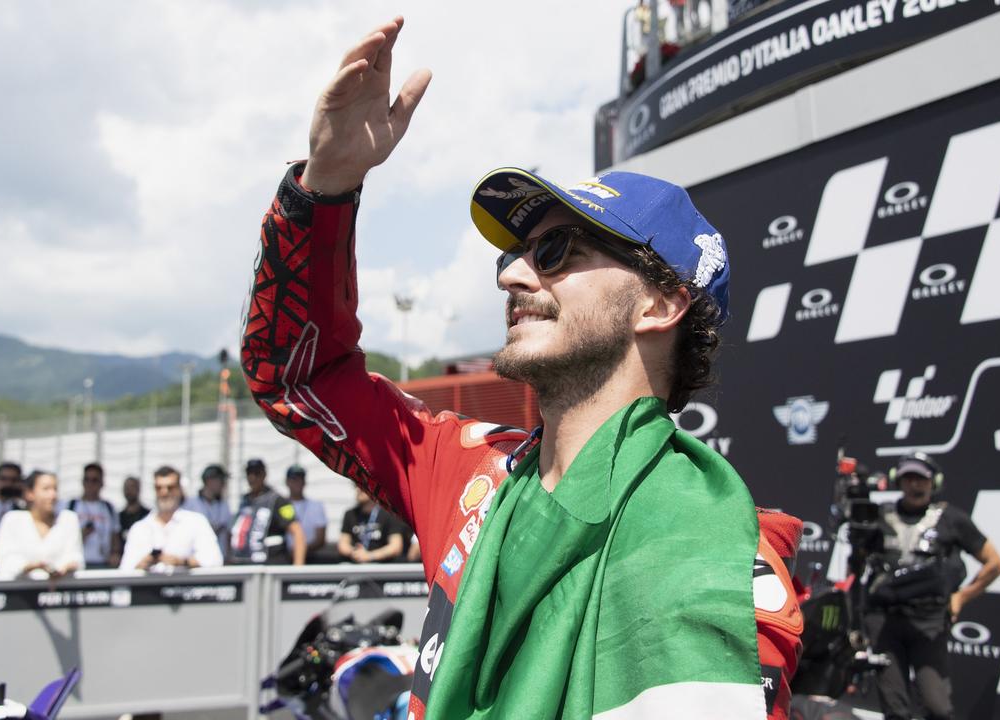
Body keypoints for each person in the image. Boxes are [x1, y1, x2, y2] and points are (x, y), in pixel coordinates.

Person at [240, 18, 802, 719]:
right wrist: (325, 186)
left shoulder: (712, 562)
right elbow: (299, 376)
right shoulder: (469, 470)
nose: (513, 279)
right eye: (513, 256)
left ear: (659, 303)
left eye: (557, 251)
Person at [864, 452, 1000, 720]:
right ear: (898, 480)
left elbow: (995, 563)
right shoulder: (880, 517)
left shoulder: (951, 518)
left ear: (934, 482)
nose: (914, 484)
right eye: (908, 478)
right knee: (894, 709)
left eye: (921, 478)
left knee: (937, 708)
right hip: (885, 622)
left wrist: (961, 597)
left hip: (929, 622)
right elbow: (858, 564)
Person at [120, 466, 222, 571]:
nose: (164, 493)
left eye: (170, 487)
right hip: (148, 586)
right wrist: (142, 564)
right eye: (159, 488)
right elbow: (125, 570)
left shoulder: (196, 522)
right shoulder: (140, 528)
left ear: (179, 490)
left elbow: (215, 560)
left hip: (184, 585)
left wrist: (182, 562)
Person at [0, 470, 84, 579]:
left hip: (59, 590)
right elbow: (5, 560)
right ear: (30, 493)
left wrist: (65, 567)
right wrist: (30, 566)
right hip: (20, 591)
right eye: (46, 489)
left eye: (55, 489)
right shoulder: (13, 519)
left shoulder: (68, 519)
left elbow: (75, 556)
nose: (53, 495)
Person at [228, 458, 305, 565]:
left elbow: (297, 532)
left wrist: (298, 568)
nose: (252, 478)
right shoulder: (244, 501)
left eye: (256, 473)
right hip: (245, 564)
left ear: (264, 475)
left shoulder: (279, 501)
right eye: (249, 473)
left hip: (271, 567)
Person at [68, 462, 121, 569]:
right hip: (77, 564)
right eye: (87, 480)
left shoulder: (108, 508)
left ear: (101, 483)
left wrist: (115, 554)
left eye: (94, 480)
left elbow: (115, 536)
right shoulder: (72, 506)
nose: (90, 484)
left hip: (103, 563)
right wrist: (80, 535)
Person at [336, 487, 409, 564]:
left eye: (362, 487)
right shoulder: (350, 514)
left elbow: (395, 547)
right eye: (356, 486)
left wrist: (370, 556)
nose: (358, 490)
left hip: (381, 567)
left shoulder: (389, 514)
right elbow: (342, 544)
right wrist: (355, 553)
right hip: (355, 564)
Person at [184, 463, 234, 556]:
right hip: (198, 558)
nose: (224, 485)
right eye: (221, 481)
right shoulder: (191, 504)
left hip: (220, 557)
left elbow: (228, 533)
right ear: (209, 481)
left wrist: (229, 556)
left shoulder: (223, 505)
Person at [283, 465, 329, 562]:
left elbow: (320, 539)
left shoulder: (316, 506)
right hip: (283, 557)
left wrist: (300, 550)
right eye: (294, 479)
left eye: (300, 479)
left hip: (310, 556)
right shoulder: (280, 505)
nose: (297, 483)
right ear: (287, 482)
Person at [118, 475, 149, 545]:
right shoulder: (118, 517)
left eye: (132, 487)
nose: (129, 491)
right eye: (126, 488)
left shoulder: (148, 516)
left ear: (138, 489)